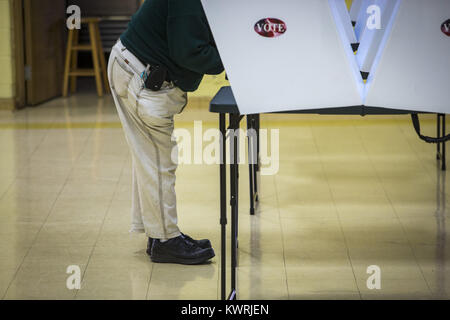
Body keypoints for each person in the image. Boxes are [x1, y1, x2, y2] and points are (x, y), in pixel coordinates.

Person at [107, 0, 224, 265]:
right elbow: (189, 52)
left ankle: (157, 233)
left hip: (133, 65)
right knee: (160, 161)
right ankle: (166, 241)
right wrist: (231, 59)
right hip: (141, 73)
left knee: (150, 158)